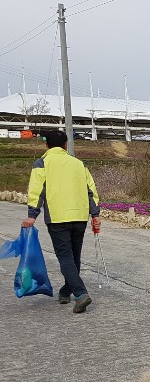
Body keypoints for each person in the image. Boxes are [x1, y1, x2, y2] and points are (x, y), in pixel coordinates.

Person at [22, 130, 101, 314]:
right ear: (66, 145)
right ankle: (66, 291)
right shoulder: (78, 164)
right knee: (74, 257)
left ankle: (81, 294)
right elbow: (91, 190)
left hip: (58, 218)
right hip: (80, 216)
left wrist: (32, 215)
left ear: (46, 145)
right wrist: (95, 214)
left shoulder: (42, 163)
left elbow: (37, 191)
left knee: (65, 258)